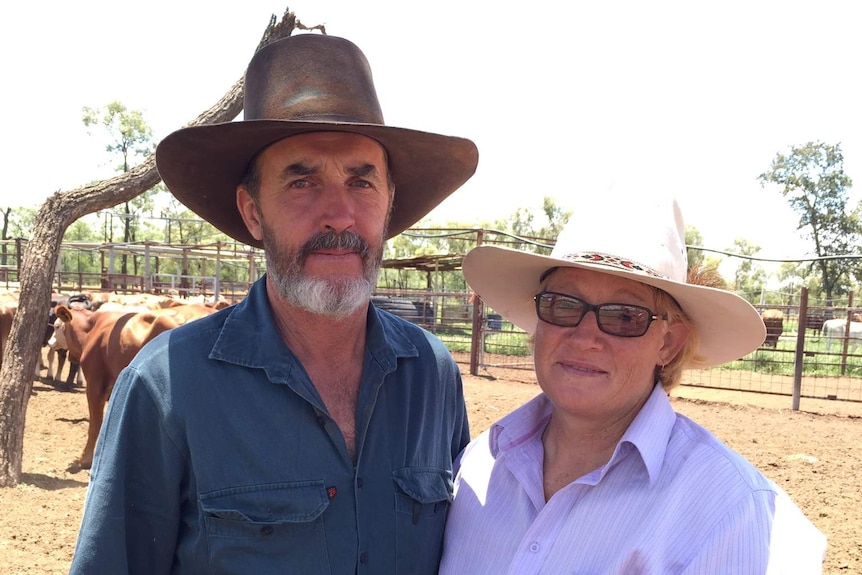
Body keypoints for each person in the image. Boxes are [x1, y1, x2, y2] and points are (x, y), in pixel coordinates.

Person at [70, 33, 478, 574]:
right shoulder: (166, 388)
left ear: (388, 204)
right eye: (302, 181)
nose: (339, 213)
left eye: (362, 181)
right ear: (253, 211)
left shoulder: (432, 375)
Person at [439, 195, 827, 574]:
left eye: (625, 316)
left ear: (668, 343)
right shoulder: (475, 467)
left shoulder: (731, 513)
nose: (585, 336)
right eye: (564, 304)